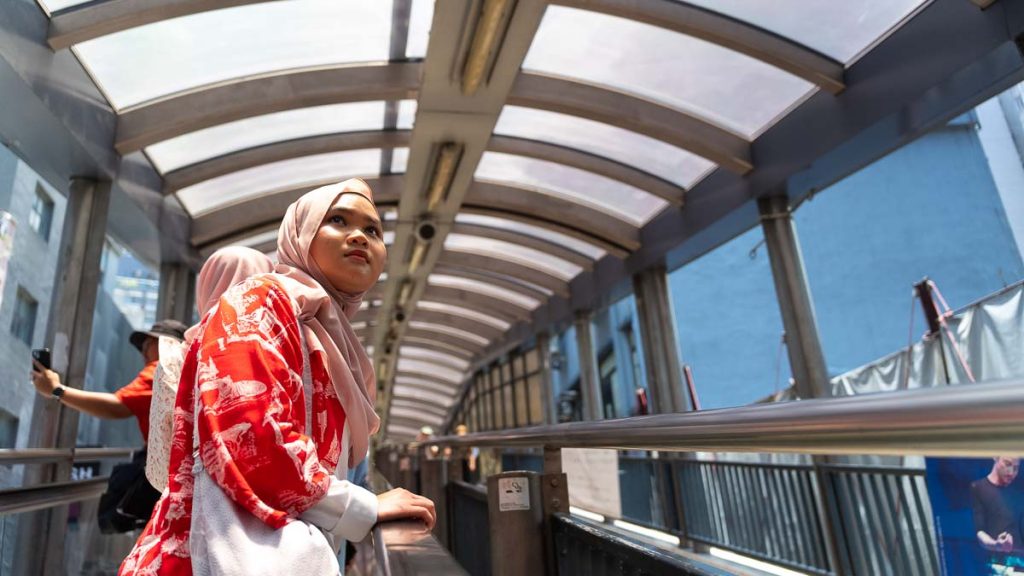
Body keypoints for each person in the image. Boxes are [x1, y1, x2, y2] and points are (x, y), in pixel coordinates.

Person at [120, 179, 434, 575]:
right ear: (300, 234)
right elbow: (248, 431)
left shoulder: (322, 330)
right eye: (337, 220)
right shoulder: (261, 299)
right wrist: (364, 506)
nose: (359, 236)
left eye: (373, 230)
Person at [146, 247, 274, 491]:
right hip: (271, 510)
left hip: (195, 509)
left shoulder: (178, 359)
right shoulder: (282, 356)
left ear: (206, 288)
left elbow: (160, 469)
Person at [30, 318, 188, 444]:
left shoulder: (164, 371)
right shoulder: (194, 374)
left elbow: (117, 406)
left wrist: (56, 390)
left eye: (148, 344)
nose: (144, 353)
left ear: (169, 345)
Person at [971, 456, 1022, 554]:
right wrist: (996, 545)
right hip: (999, 560)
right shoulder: (978, 488)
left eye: (1016, 468)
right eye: (1007, 464)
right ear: (996, 457)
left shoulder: (1019, 488)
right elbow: (979, 531)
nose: (1011, 472)